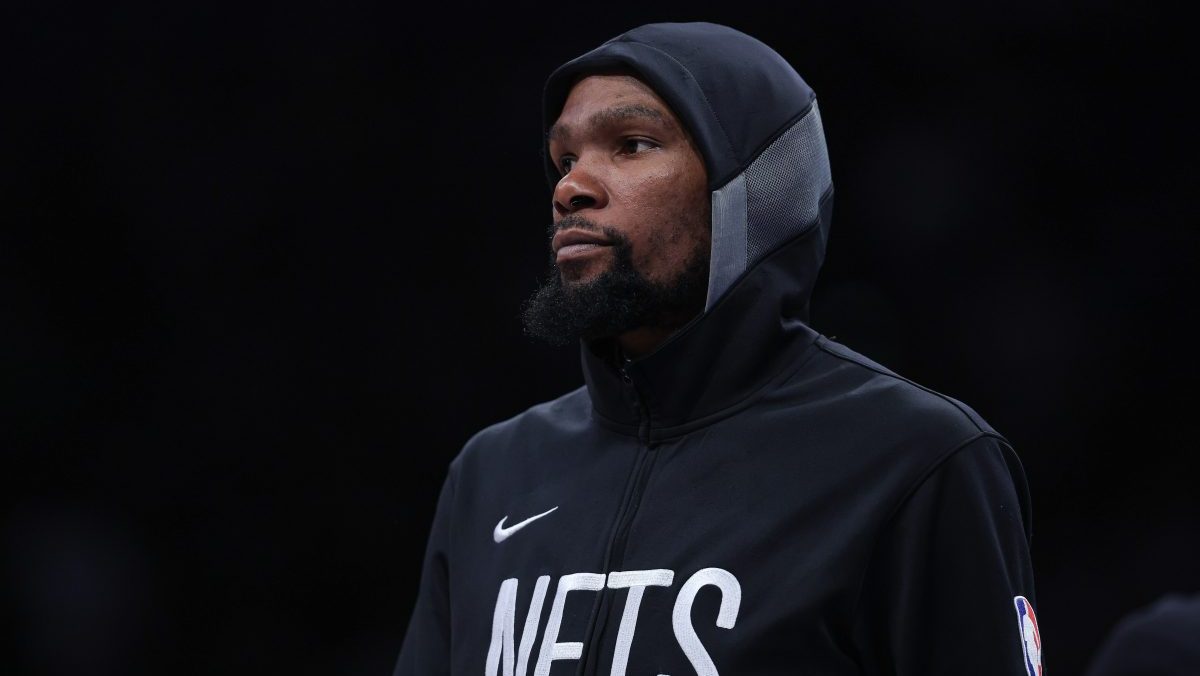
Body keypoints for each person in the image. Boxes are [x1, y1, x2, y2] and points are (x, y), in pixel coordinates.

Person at [395, 22, 1041, 676]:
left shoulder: (915, 461)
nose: (571, 188)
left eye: (632, 145)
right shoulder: (491, 474)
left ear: (755, 189)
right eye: (564, 159)